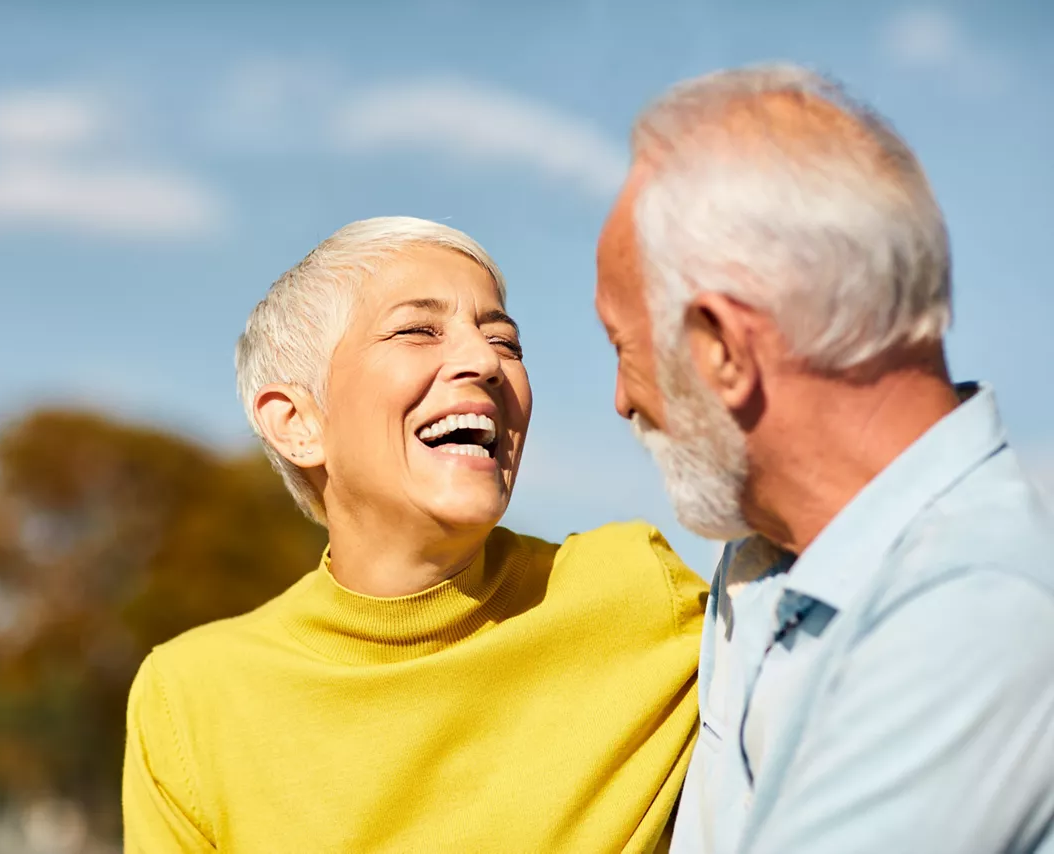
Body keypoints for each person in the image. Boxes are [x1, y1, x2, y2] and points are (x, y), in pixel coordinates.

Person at [122, 216, 707, 853]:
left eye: (505, 342)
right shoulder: (189, 698)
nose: (485, 362)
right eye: (418, 330)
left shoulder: (639, 590)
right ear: (297, 423)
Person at [595, 63, 1054, 854]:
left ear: (722, 349)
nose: (620, 400)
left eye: (622, 348)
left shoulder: (973, 614)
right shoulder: (765, 555)